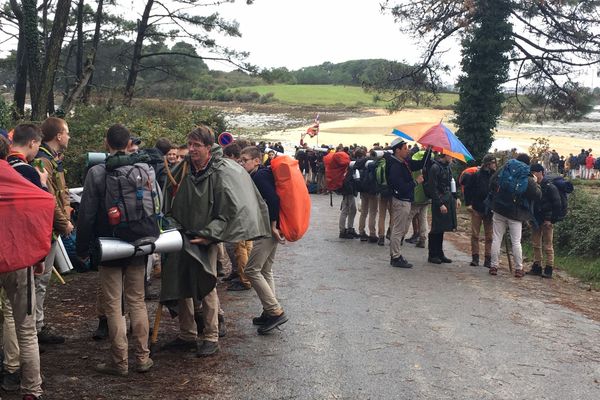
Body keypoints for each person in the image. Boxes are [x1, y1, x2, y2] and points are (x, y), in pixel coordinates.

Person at [161, 127, 271, 354]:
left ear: (208, 147)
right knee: (180, 283)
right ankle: (187, 334)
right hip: (180, 236)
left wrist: (209, 234)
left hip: (207, 239)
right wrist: (171, 228)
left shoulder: (222, 172)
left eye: (197, 145)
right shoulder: (182, 170)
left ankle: (211, 337)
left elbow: (230, 209)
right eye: (189, 144)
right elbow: (168, 202)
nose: (191, 149)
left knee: (207, 284)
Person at [76, 124, 153, 375]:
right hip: (139, 242)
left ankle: (119, 362)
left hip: (108, 245)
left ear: (106, 143)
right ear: (129, 142)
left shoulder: (97, 172)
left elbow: (86, 214)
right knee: (137, 301)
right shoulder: (143, 168)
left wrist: (82, 248)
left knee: (113, 304)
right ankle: (142, 357)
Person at [2, 125, 46, 399]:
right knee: (26, 328)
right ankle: (31, 390)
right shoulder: (20, 176)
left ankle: (9, 369)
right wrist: (38, 255)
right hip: (18, 259)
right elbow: (40, 207)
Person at [240, 146, 289, 334]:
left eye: (245, 160)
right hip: (270, 227)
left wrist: (274, 225)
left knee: (251, 270)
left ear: (257, 161)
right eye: (241, 160)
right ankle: (268, 311)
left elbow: (273, 200)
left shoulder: (259, 176)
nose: (242, 163)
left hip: (267, 228)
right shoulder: (260, 174)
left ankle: (275, 312)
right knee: (266, 270)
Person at [34, 116, 73, 345]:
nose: (68, 136)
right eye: (66, 132)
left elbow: (61, 193)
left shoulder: (53, 159)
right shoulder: (42, 162)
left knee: (43, 279)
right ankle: (35, 330)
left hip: (51, 229)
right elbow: (49, 199)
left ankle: (38, 325)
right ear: (58, 136)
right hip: (45, 231)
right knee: (39, 280)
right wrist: (64, 223)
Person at [488, 154, 541, 278]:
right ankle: (518, 269)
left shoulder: (504, 169)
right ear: (527, 164)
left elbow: (492, 182)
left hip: (499, 209)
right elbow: (537, 195)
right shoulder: (527, 176)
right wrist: (536, 182)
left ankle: (493, 266)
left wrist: (498, 196)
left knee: (496, 238)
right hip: (516, 214)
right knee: (516, 242)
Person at [387, 138, 424, 268]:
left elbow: (419, 164)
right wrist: (416, 182)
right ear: (397, 150)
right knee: (398, 230)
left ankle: (396, 255)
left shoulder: (403, 162)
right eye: (405, 148)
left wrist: (429, 150)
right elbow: (401, 187)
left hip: (404, 200)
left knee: (399, 229)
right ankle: (396, 257)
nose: (407, 150)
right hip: (401, 200)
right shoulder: (395, 166)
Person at [527, 164, 561, 278]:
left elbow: (557, 205)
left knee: (548, 245)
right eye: (532, 173)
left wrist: (551, 220)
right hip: (536, 220)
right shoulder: (533, 186)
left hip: (547, 221)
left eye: (535, 172)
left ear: (541, 172)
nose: (534, 175)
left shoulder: (550, 187)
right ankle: (537, 266)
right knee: (536, 244)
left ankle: (549, 268)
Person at [463, 154, 497, 268]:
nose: (495, 165)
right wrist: (468, 204)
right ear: (488, 164)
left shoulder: (495, 177)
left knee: (489, 236)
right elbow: (468, 189)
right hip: (477, 208)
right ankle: (475, 257)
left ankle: (488, 258)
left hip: (490, 210)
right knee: (475, 234)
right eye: (493, 163)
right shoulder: (476, 175)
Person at [427, 153, 460, 264]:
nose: (453, 158)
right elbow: (433, 187)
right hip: (439, 201)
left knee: (441, 228)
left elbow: (451, 183)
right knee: (436, 228)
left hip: (447, 199)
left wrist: (456, 197)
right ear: (445, 155)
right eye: (451, 156)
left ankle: (439, 253)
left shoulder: (447, 167)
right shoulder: (435, 168)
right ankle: (432, 254)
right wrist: (440, 203)